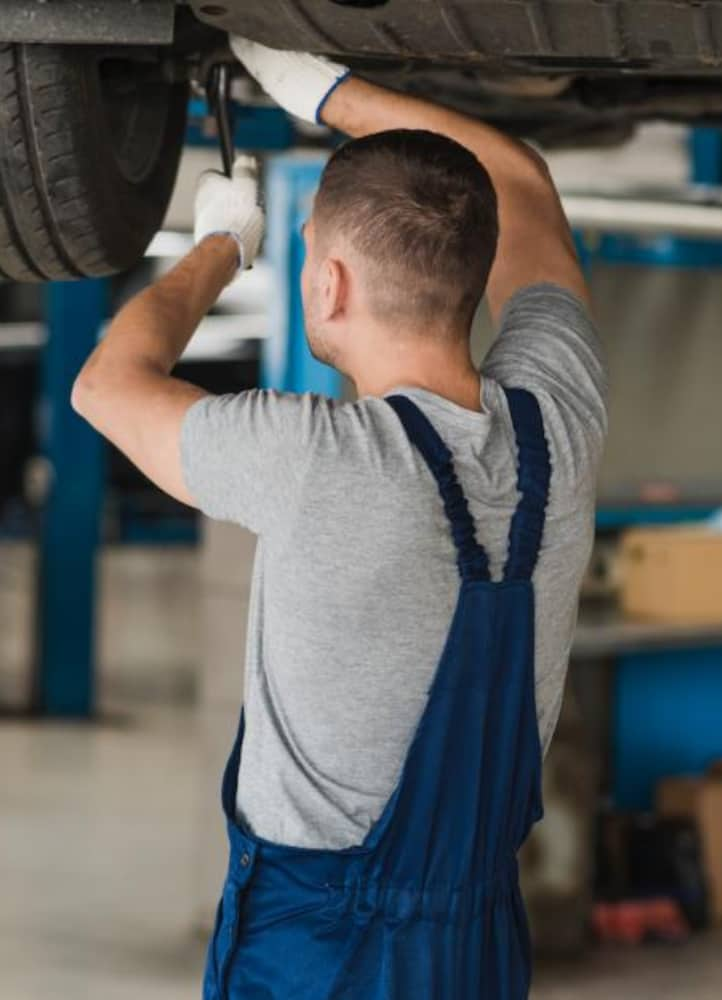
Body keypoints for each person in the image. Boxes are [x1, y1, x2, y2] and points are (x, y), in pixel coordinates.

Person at [71, 37, 605, 999]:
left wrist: (222, 247)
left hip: (320, 949)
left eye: (313, 252)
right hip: (480, 941)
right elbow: (519, 180)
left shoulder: (317, 461)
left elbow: (106, 386)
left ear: (331, 286)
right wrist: (334, 92)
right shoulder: (556, 421)